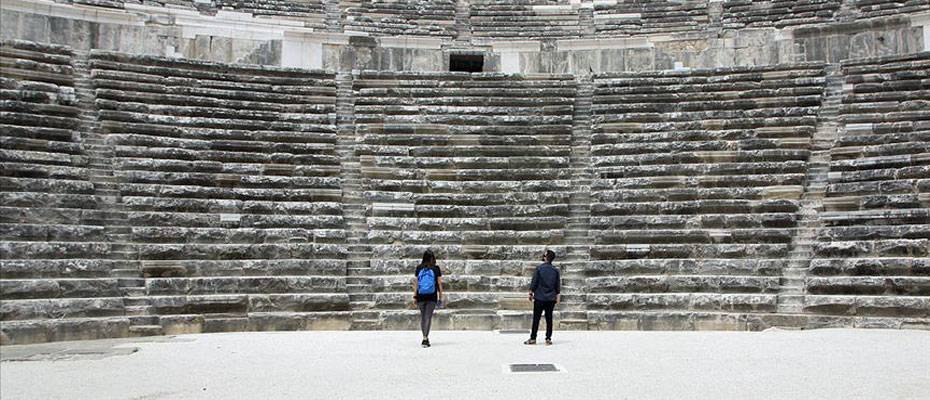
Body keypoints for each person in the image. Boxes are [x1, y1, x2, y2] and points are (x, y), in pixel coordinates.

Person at [525, 249, 560, 346]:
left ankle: (533, 338)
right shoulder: (555, 270)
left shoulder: (539, 268)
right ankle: (548, 338)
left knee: (536, 318)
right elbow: (557, 285)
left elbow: (534, 282)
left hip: (540, 297)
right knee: (549, 319)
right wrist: (557, 295)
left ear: (545, 257)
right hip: (551, 298)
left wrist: (531, 292)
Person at [413, 249, 443, 348]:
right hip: (432, 296)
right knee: (428, 317)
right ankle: (425, 338)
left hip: (421, 295)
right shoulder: (436, 268)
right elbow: (439, 284)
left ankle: (424, 337)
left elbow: (416, 284)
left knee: (423, 316)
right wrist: (441, 297)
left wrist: (414, 296)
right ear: (432, 258)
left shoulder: (419, 268)